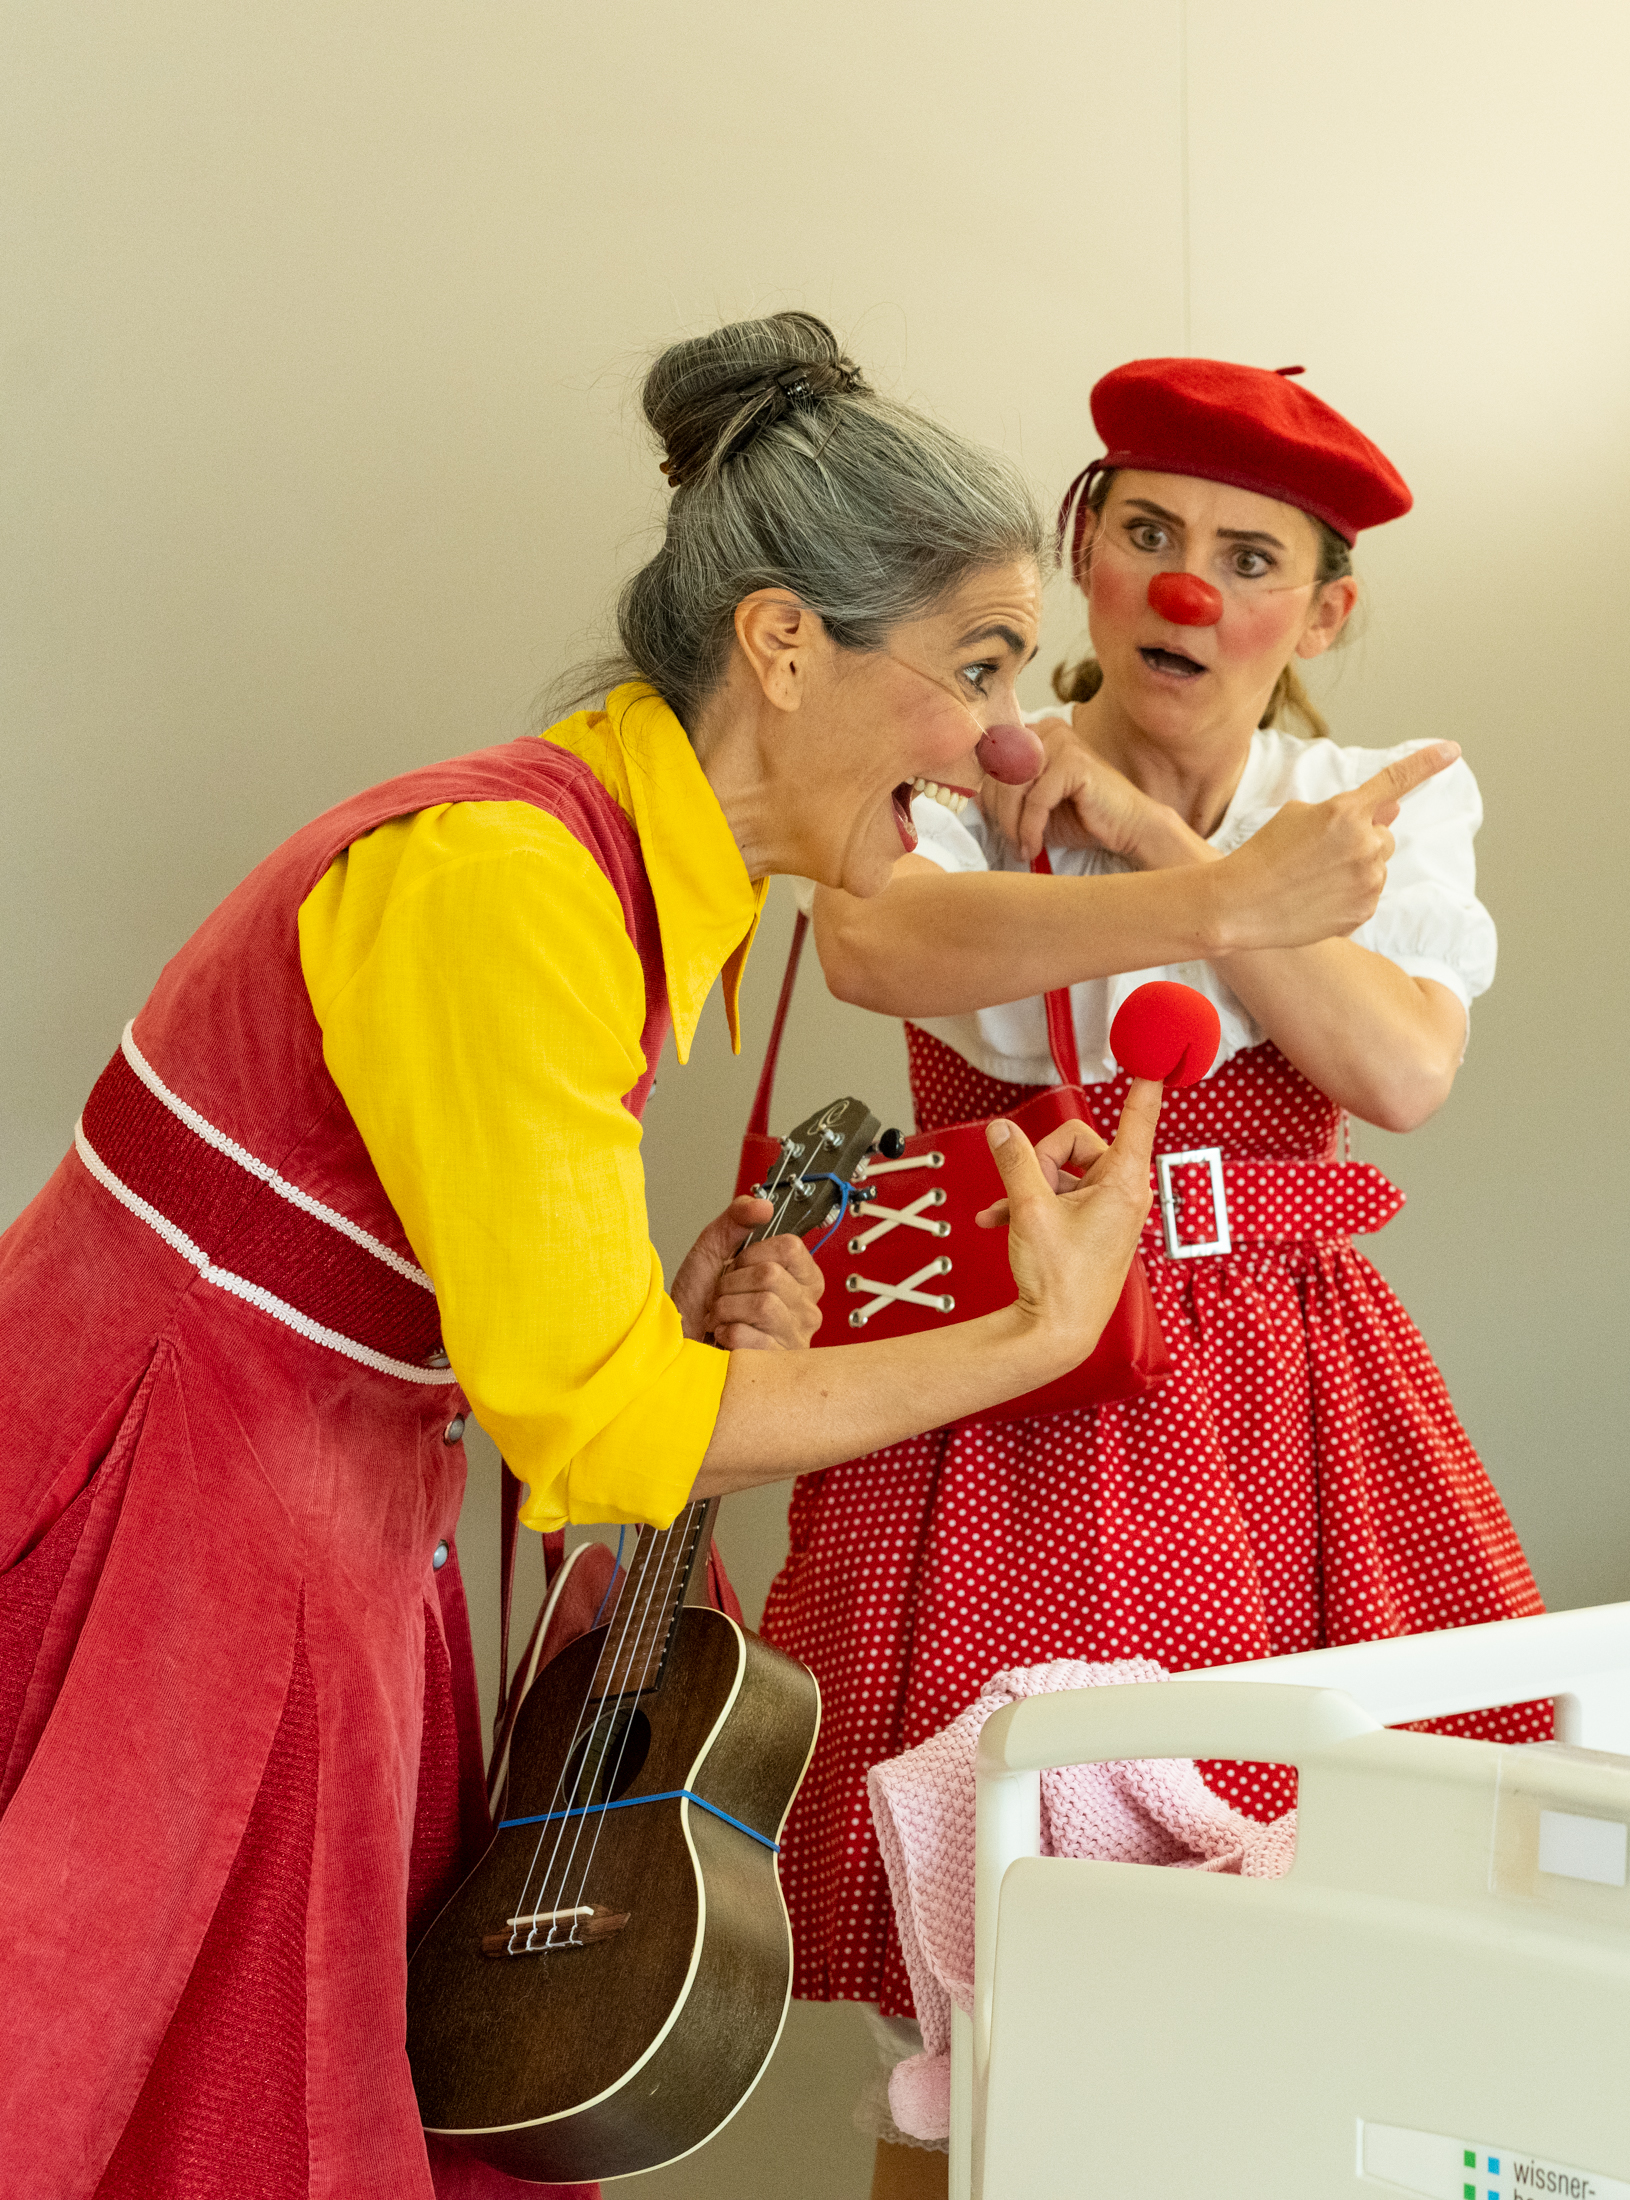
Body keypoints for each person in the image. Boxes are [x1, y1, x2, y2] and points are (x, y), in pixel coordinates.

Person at [0, 311, 1168, 2200]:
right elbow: (609, 1437)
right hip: (168, 1561)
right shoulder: (509, 888)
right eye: (975, 665)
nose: (1015, 737)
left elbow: (490, 1319)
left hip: (292, 1542)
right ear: (783, 646)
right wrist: (1036, 1337)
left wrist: (664, 1315)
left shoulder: (604, 888)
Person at [758, 359, 1547, 2127]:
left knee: (1315, 1909)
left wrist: (1168, 841)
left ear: (1325, 608)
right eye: (1153, 533)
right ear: (1087, 556)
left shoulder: (1368, 800)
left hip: (1287, 1397)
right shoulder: (955, 771)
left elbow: (1401, 1066)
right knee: (990, 1970)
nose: (1194, 586)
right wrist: (1200, 894)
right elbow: (879, 954)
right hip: (1005, 1375)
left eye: (1251, 555)